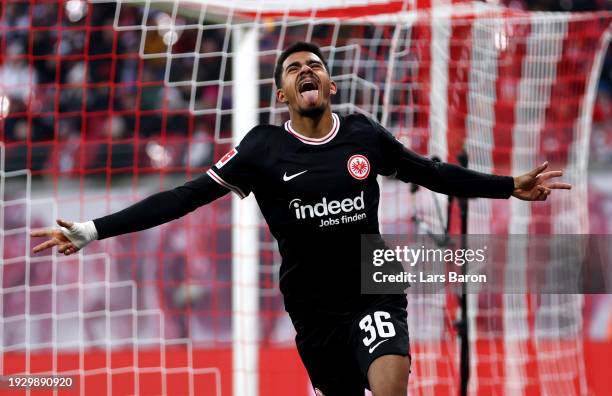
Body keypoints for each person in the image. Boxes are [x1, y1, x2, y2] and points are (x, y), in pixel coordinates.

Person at [31, 42, 571, 396]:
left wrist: (509, 187)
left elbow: (430, 173)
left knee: (390, 380)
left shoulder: (362, 135)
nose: (305, 71)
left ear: (330, 85)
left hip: (371, 279)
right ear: (283, 93)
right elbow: (184, 196)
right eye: (293, 69)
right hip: (311, 300)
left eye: (314, 65)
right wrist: (94, 229)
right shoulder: (262, 149)